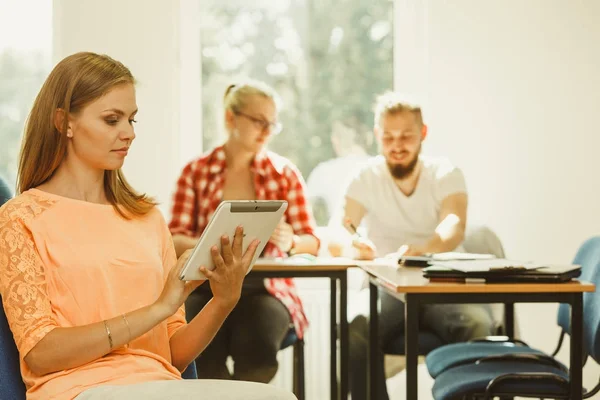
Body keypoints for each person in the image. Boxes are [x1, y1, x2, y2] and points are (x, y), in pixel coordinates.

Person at [0, 52, 296, 400]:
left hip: (159, 385)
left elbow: (173, 355)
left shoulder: (146, 217)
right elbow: (41, 353)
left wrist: (223, 300)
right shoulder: (20, 218)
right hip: (77, 390)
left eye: (132, 120)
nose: (128, 134)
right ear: (64, 121)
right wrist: (157, 309)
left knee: (278, 398)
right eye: (112, 120)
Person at [339, 92, 495, 400]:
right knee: (355, 326)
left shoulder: (445, 173)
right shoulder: (365, 176)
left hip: (443, 285)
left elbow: (454, 225)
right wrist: (354, 242)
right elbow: (343, 227)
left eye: (406, 136)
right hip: (387, 289)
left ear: (423, 134)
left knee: (477, 323)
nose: (397, 145)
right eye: (388, 137)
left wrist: (425, 248)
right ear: (376, 136)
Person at [168, 79, 320, 383]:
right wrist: (209, 243)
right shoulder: (196, 171)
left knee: (257, 340)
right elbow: (173, 238)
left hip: (266, 289)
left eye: (272, 124)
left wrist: (291, 241)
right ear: (230, 118)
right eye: (258, 121)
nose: (266, 131)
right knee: (196, 343)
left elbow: (312, 242)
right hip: (206, 284)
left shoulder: (284, 174)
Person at [306, 118, 370, 225]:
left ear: (335, 140)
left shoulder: (323, 171)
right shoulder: (380, 166)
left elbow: (305, 209)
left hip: (341, 237)